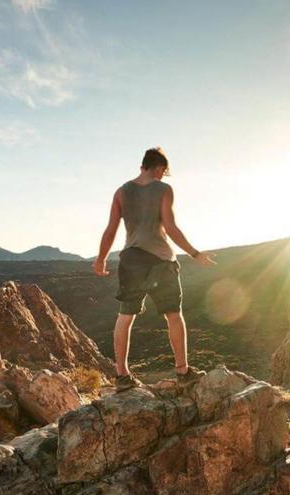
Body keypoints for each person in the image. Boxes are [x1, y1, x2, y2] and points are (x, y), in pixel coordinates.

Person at [93, 147, 216, 391]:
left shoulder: (121, 191)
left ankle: (122, 377)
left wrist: (101, 259)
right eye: (163, 172)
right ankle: (182, 371)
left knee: (125, 316)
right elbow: (169, 227)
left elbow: (110, 230)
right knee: (173, 314)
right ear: (160, 168)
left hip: (131, 259)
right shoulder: (163, 189)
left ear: (143, 166)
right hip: (161, 260)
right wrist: (194, 253)